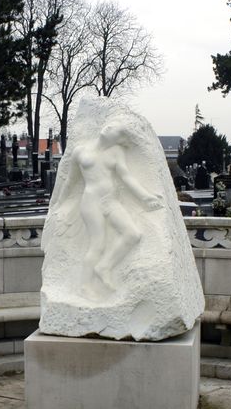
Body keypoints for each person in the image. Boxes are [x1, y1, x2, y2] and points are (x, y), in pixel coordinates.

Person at [59, 121, 163, 298]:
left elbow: (126, 177)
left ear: (119, 139)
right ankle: (85, 287)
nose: (109, 127)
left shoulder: (116, 152)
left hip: (110, 201)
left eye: (116, 129)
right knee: (97, 244)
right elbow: (70, 180)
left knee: (132, 234)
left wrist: (146, 197)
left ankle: (104, 266)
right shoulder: (80, 151)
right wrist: (59, 203)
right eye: (110, 126)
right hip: (91, 202)